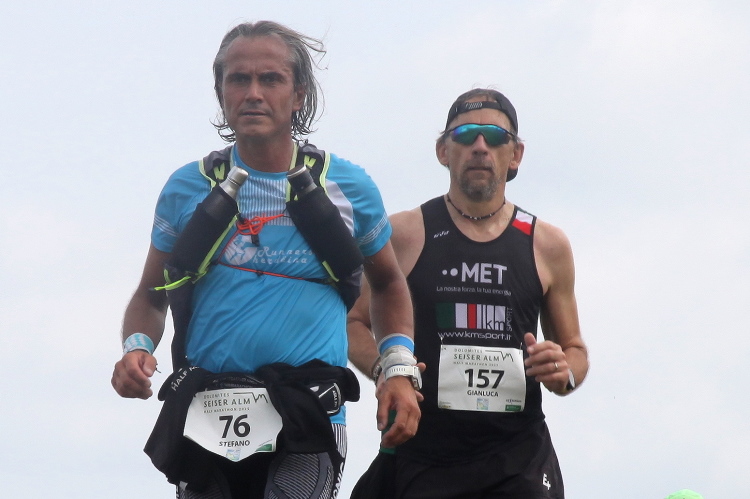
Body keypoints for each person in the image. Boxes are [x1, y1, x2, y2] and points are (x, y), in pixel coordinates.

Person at [111, 21, 421, 499]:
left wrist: (397, 368)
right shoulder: (186, 189)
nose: (253, 93)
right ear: (221, 93)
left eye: (270, 79)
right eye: (239, 79)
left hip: (308, 414)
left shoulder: (347, 186)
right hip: (209, 413)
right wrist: (136, 347)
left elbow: (388, 285)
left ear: (298, 95)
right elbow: (151, 296)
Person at [348, 88, 589, 498]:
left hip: (518, 457)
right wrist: (388, 371)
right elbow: (352, 323)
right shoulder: (403, 233)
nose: (480, 146)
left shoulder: (547, 244)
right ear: (443, 150)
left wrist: (562, 371)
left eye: (495, 137)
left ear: (516, 155)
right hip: (426, 453)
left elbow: (575, 351)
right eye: (465, 135)